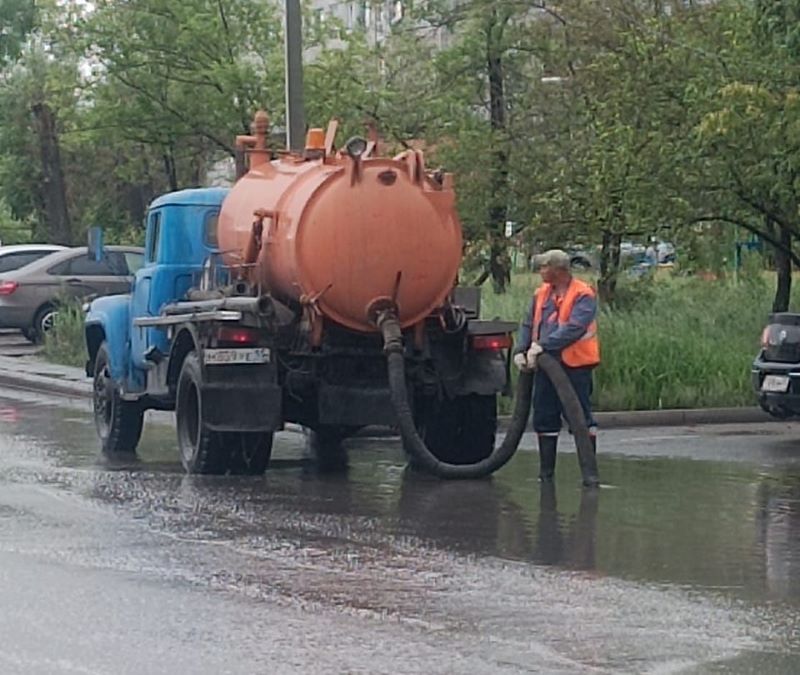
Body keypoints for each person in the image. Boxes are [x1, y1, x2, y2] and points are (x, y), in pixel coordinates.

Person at [514, 249, 600, 482]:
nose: (541, 271)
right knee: (544, 415)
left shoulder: (583, 294)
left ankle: (590, 474)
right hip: (544, 367)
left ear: (558, 270)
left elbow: (574, 328)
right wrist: (521, 350)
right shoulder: (541, 294)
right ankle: (546, 474)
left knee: (579, 416)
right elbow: (527, 323)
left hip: (575, 366)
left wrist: (542, 345)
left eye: (544, 267)